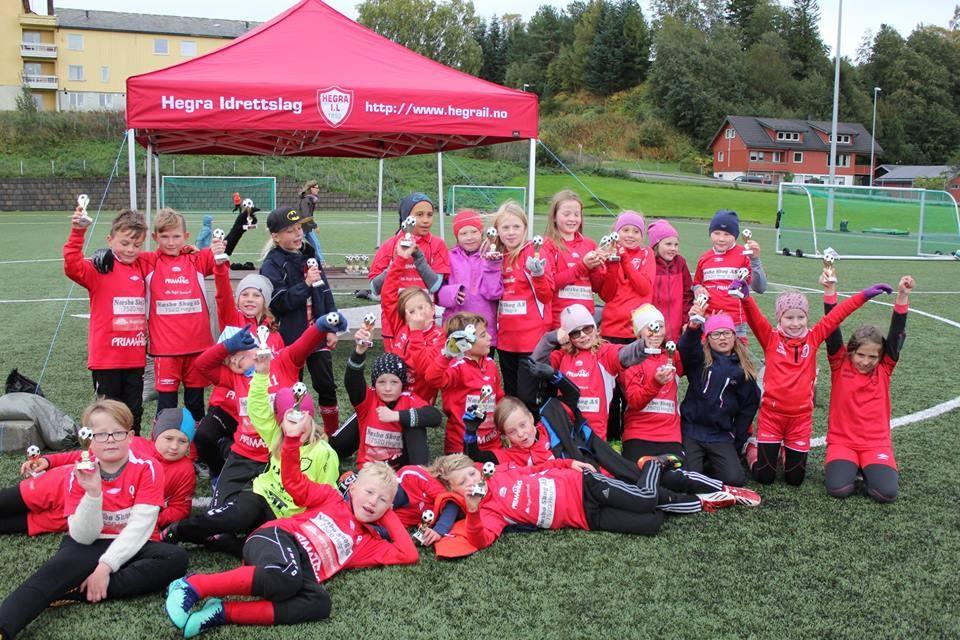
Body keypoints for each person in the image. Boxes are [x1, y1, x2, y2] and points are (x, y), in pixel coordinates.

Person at [164, 452, 416, 636]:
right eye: (369, 492)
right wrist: (292, 441)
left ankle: (221, 612)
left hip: (296, 569)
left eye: (382, 500)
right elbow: (294, 481)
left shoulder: (368, 543)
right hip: (276, 538)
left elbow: (408, 554)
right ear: (352, 489)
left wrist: (387, 510)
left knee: (319, 604)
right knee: (286, 576)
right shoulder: (331, 498)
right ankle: (193, 586)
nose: (373, 502)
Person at [0, 400, 188, 639]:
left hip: (130, 542)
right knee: (48, 576)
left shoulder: (148, 468)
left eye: (117, 433)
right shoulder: (79, 473)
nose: (110, 439)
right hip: (89, 540)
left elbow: (140, 527)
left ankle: (76, 590)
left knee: (176, 558)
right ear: (89, 440)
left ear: (130, 437)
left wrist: (104, 568)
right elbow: (82, 536)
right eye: (101, 435)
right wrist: (93, 494)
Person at [163, 355, 339, 554]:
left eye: (302, 418)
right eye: (290, 419)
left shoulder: (325, 453)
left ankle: (223, 543)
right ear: (280, 422)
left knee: (264, 547)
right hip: (261, 497)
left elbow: (328, 496)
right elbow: (256, 408)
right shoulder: (276, 436)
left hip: (288, 517)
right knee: (233, 518)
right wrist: (262, 374)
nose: (297, 426)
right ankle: (177, 531)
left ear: (311, 419)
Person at [428, 453, 759, 555]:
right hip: (586, 517)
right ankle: (709, 501)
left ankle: (653, 464)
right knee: (652, 520)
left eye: (471, 473)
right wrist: (470, 512)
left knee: (644, 497)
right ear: (455, 490)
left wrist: (568, 464)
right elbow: (481, 539)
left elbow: (538, 467)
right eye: (463, 482)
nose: (472, 482)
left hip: (584, 486)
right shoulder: (487, 512)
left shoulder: (500, 473)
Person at [738, 278, 892, 486]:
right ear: (779, 318)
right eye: (789, 317)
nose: (795, 323)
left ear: (806, 317)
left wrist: (864, 295)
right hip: (771, 417)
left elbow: (838, 314)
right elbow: (754, 318)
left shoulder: (814, 337)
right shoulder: (770, 338)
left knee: (795, 480)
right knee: (765, 478)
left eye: (800, 317)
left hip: (800, 420)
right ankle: (752, 448)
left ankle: (784, 450)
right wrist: (746, 298)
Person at [194, 313, 343, 507]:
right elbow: (201, 365)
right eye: (229, 361)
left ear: (256, 347)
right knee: (218, 509)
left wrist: (322, 326)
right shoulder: (233, 378)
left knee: (276, 506)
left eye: (239, 355)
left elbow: (304, 344)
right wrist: (227, 347)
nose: (234, 362)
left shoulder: (282, 361)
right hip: (245, 452)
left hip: (279, 453)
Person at [2, 407, 197, 536]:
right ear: (155, 434)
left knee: (15, 526)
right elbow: (86, 454)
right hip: (58, 485)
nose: (174, 446)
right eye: (168, 438)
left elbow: (180, 509)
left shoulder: (184, 470)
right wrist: (48, 460)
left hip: (82, 510)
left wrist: (141, 520)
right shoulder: (133, 443)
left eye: (183, 441)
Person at [823, 275, 914, 503]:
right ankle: (855, 467)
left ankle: (870, 467)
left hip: (876, 443)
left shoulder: (884, 368)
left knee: (886, 493)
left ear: (881, 356)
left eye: (872, 356)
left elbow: (896, 333)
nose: (865, 361)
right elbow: (831, 325)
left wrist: (902, 295)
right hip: (842, 441)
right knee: (838, 489)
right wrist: (830, 289)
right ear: (850, 352)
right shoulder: (839, 362)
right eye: (860, 355)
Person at [63, 208, 149, 433]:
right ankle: (106, 457)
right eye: (124, 243)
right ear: (110, 240)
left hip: (135, 357)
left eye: (137, 245)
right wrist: (77, 231)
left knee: (134, 412)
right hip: (106, 359)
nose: (130, 249)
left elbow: (167, 257)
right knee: (108, 413)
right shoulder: (100, 268)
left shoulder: (141, 266)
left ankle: (134, 454)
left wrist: (190, 249)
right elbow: (72, 266)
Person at [260, 205, 342, 438]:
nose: (297, 234)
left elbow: (325, 293)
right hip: (291, 339)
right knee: (290, 389)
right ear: (275, 236)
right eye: (289, 230)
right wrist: (304, 285)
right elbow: (278, 304)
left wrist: (331, 327)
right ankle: (292, 433)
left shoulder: (310, 253)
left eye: (299, 228)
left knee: (326, 385)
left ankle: (332, 435)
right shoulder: (272, 264)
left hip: (317, 334)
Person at [194, 265, 284, 479]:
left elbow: (280, 372)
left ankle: (238, 460)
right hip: (227, 403)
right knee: (204, 436)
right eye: (244, 294)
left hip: (259, 408)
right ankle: (218, 472)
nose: (250, 299)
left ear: (265, 301)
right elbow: (222, 295)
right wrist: (219, 267)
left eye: (256, 295)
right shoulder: (233, 321)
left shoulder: (276, 337)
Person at [138, 208, 220, 422]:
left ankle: (198, 450)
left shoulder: (196, 260)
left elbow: (219, 253)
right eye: (164, 236)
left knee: (195, 403)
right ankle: (161, 452)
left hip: (198, 347)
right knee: (167, 406)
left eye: (176, 236)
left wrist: (241, 222)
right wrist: (106, 254)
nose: (170, 242)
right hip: (165, 351)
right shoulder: (147, 261)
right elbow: (122, 255)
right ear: (155, 237)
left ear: (185, 237)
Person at [529, 304, 645, 440]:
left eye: (587, 329)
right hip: (567, 429)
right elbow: (535, 366)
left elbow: (626, 354)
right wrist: (551, 338)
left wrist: (645, 345)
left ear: (596, 329)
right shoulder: (562, 356)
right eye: (575, 333)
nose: (583, 336)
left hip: (595, 433)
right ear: (568, 337)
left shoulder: (605, 353)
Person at [677, 310, 760, 486]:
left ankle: (709, 461)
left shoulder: (743, 371)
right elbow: (685, 348)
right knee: (689, 479)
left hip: (719, 434)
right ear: (707, 338)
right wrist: (693, 328)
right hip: (692, 430)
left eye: (727, 333)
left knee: (734, 479)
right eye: (716, 334)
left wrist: (737, 440)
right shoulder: (700, 360)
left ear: (734, 336)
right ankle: (700, 461)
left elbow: (748, 408)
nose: (722, 338)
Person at [345, 326, 443, 467]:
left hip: (397, 471)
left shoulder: (408, 398)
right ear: (374, 383)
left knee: (416, 425)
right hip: (369, 470)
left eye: (394, 382)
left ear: (402, 383)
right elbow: (351, 381)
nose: (388, 388)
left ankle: (420, 473)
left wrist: (396, 416)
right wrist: (359, 351)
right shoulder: (368, 398)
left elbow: (435, 417)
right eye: (381, 382)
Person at [598, 210, 656, 444]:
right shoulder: (609, 252)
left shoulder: (646, 254)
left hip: (635, 333)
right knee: (610, 390)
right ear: (616, 232)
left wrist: (624, 261)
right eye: (625, 230)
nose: (630, 235)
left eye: (635, 231)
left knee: (631, 388)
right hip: (611, 331)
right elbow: (606, 293)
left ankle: (631, 437)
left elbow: (644, 288)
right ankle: (611, 437)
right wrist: (612, 263)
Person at [368, 193, 450, 346]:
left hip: (424, 323)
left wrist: (419, 259)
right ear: (406, 217)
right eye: (419, 215)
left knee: (424, 366)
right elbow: (374, 288)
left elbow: (435, 286)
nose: (426, 220)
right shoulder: (389, 245)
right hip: (393, 323)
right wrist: (396, 262)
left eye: (430, 215)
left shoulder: (437, 245)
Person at [492, 201, 553, 396]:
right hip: (506, 341)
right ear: (497, 231)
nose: (511, 232)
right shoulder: (496, 256)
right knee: (511, 395)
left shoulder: (535, 252)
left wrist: (538, 274)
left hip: (532, 340)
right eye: (505, 227)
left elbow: (546, 296)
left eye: (516, 226)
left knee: (528, 398)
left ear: (525, 228)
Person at [423, 312, 505, 454]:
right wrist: (447, 355)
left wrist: (504, 428)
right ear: (465, 343)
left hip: (492, 443)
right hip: (461, 445)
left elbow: (499, 398)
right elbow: (432, 378)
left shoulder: (490, 364)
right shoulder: (456, 367)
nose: (490, 337)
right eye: (483, 335)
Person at [620, 304, 685, 464]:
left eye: (660, 326)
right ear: (639, 333)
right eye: (649, 327)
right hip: (639, 433)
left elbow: (694, 356)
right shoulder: (631, 359)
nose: (656, 332)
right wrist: (656, 383)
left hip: (670, 435)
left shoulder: (673, 355)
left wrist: (692, 329)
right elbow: (634, 401)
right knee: (640, 477)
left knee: (674, 478)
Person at [692, 210, 767, 340]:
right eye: (716, 233)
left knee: (737, 360)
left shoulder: (744, 255)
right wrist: (697, 288)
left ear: (736, 236)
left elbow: (760, 287)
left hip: (735, 322)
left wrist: (755, 260)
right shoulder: (705, 258)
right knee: (708, 359)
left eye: (727, 234)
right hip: (708, 321)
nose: (721, 238)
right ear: (710, 233)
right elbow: (696, 283)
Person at [436, 209, 504, 354]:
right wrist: (452, 293)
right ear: (456, 236)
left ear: (481, 233)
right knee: (456, 371)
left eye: (474, 232)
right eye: (463, 233)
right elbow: (436, 292)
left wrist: (492, 265)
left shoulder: (492, 256)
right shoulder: (448, 257)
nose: (469, 237)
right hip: (456, 329)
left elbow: (493, 293)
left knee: (481, 372)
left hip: (484, 330)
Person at [541, 190, 604, 328]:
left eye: (577, 214)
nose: (572, 219)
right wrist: (583, 266)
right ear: (554, 217)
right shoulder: (547, 245)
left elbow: (597, 286)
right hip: (560, 323)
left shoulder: (589, 244)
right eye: (566, 214)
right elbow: (551, 284)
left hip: (587, 321)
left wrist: (597, 266)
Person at [383, 283, 445, 405]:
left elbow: (427, 371)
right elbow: (387, 295)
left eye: (421, 308)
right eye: (411, 311)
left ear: (433, 309)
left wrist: (416, 332)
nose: (418, 314)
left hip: (420, 403)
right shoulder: (401, 327)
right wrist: (399, 263)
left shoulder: (440, 336)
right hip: (393, 396)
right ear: (405, 318)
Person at [647, 219, 694, 343]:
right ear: (656, 245)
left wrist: (686, 321)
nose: (673, 248)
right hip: (653, 331)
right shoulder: (648, 262)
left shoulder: (680, 263)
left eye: (676, 244)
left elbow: (688, 295)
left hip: (677, 331)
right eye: (668, 244)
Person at [297, 179, 324, 262]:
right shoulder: (306, 200)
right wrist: (315, 226)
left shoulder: (311, 199)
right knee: (295, 247)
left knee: (316, 245)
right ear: (311, 189)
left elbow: (309, 216)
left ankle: (322, 263)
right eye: (316, 188)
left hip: (307, 228)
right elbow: (306, 216)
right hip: (300, 228)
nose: (318, 190)